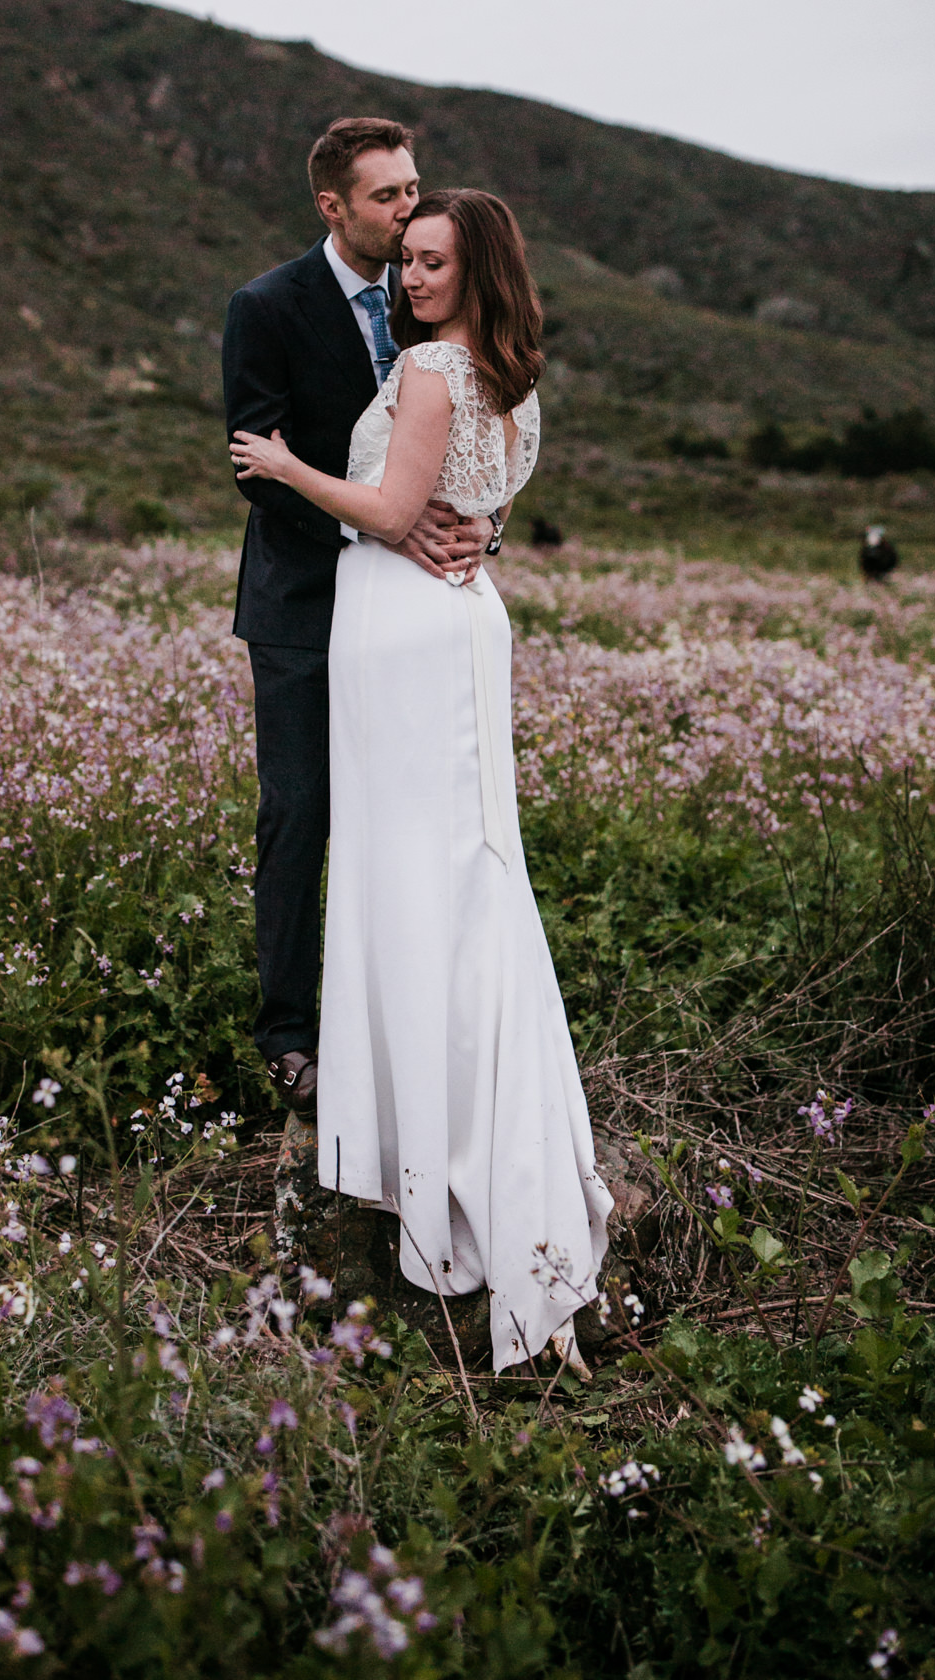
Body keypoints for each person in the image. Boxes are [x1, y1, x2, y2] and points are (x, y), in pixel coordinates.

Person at [230, 188, 613, 1377]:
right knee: (459, 863)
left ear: (478, 267)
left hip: (403, 623)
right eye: (407, 261)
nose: (412, 277)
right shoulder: (510, 375)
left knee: (414, 867)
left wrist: (288, 464)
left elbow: (398, 512)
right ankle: (444, 1101)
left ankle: (424, 1125)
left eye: (434, 260)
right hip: (460, 618)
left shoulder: (436, 369)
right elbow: (469, 509)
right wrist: (464, 529)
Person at [222, 119, 491, 1119]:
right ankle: (289, 1036)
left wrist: (484, 525)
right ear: (331, 206)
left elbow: (472, 431)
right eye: (386, 196)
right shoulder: (264, 305)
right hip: (300, 606)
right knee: (298, 816)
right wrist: (376, 527)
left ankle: (403, 1021)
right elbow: (256, 462)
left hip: (416, 610)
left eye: (413, 188)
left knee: (411, 816)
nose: (408, 210)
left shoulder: (433, 288)